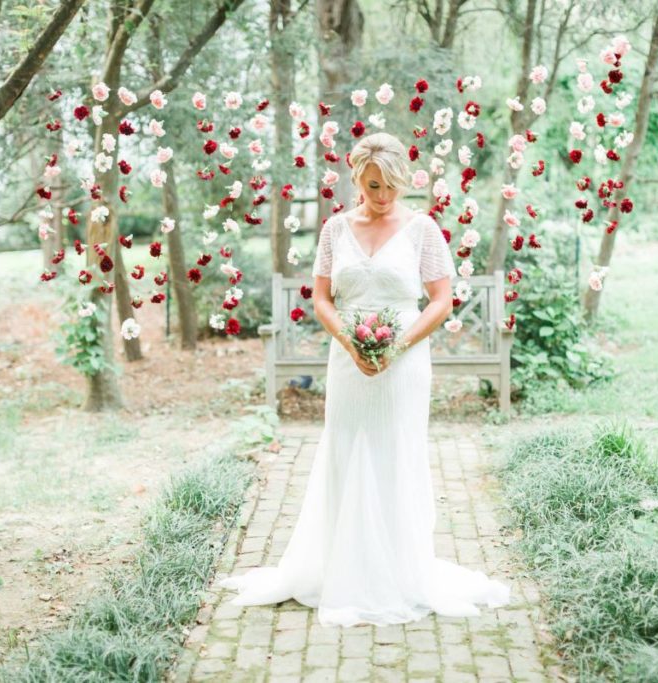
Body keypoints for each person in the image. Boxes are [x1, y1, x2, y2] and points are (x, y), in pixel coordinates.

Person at [218, 132, 510, 627]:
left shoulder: (423, 231)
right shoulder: (334, 230)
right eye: (373, 185)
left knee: (396, 452)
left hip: (405, 360)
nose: (381, 196)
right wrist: (352, 343)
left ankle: (398, 571)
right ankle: (342, 568)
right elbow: (322, 299)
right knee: (346, 450)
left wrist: (397, 346)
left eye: (390, 186)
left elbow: (440, 301)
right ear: (357, 178)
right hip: (347, 358)